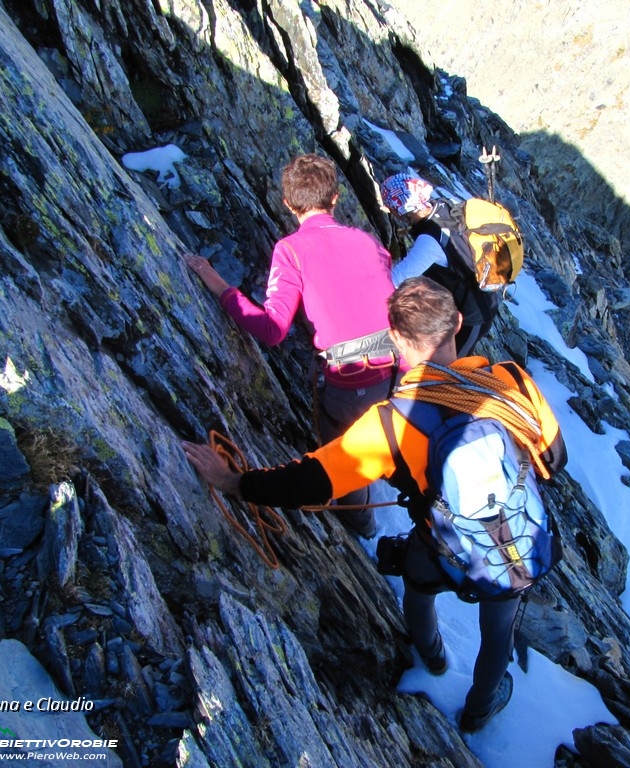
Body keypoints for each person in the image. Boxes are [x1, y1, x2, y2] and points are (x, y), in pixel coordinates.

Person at [183, 277, 566, 733]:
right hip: (518, 540)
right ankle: (480, 711)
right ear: (459, 323)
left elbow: (307, 481)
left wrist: (231, 481)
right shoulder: (511, 380)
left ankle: (433, 657)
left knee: (420, 590)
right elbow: (554, 458)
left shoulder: (391, 426)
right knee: (497, 631)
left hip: (439, 545)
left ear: (399, 342)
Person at [187, 154, 395, 538]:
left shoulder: (291, 250)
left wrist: (216, 283)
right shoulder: (366, 240)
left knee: (345, 458)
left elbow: (272, 329)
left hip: (351, 383)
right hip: (401, 370)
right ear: (335, 199)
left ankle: (364, 528)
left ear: (287, 204)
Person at [380, 173, 501, 357]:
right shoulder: (443, 205)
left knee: (454, 369)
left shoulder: (430, 240)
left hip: (473, 313)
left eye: (391, 208)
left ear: (401, 210)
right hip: (479, 302)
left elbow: (394, 281)